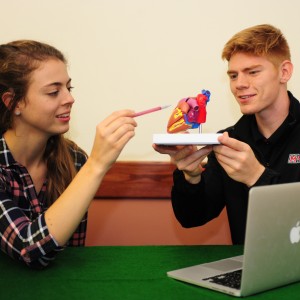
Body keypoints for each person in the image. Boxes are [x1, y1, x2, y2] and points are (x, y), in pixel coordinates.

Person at [153, 24, 300, 244]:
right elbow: (192, 218)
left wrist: (258, 178)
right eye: (233, 75)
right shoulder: (229, 140)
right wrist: (191, 177)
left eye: (253, 72)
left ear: (284, 71)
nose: (240, 84)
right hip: (245, 272)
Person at [0, 40, 137, 268]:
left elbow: (67, 257)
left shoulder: (74, 159)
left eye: (68, 88)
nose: (69, 99)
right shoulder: (87, 165)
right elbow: (29, 250)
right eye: (54, 92)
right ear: (13, 103)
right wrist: (97, 164)